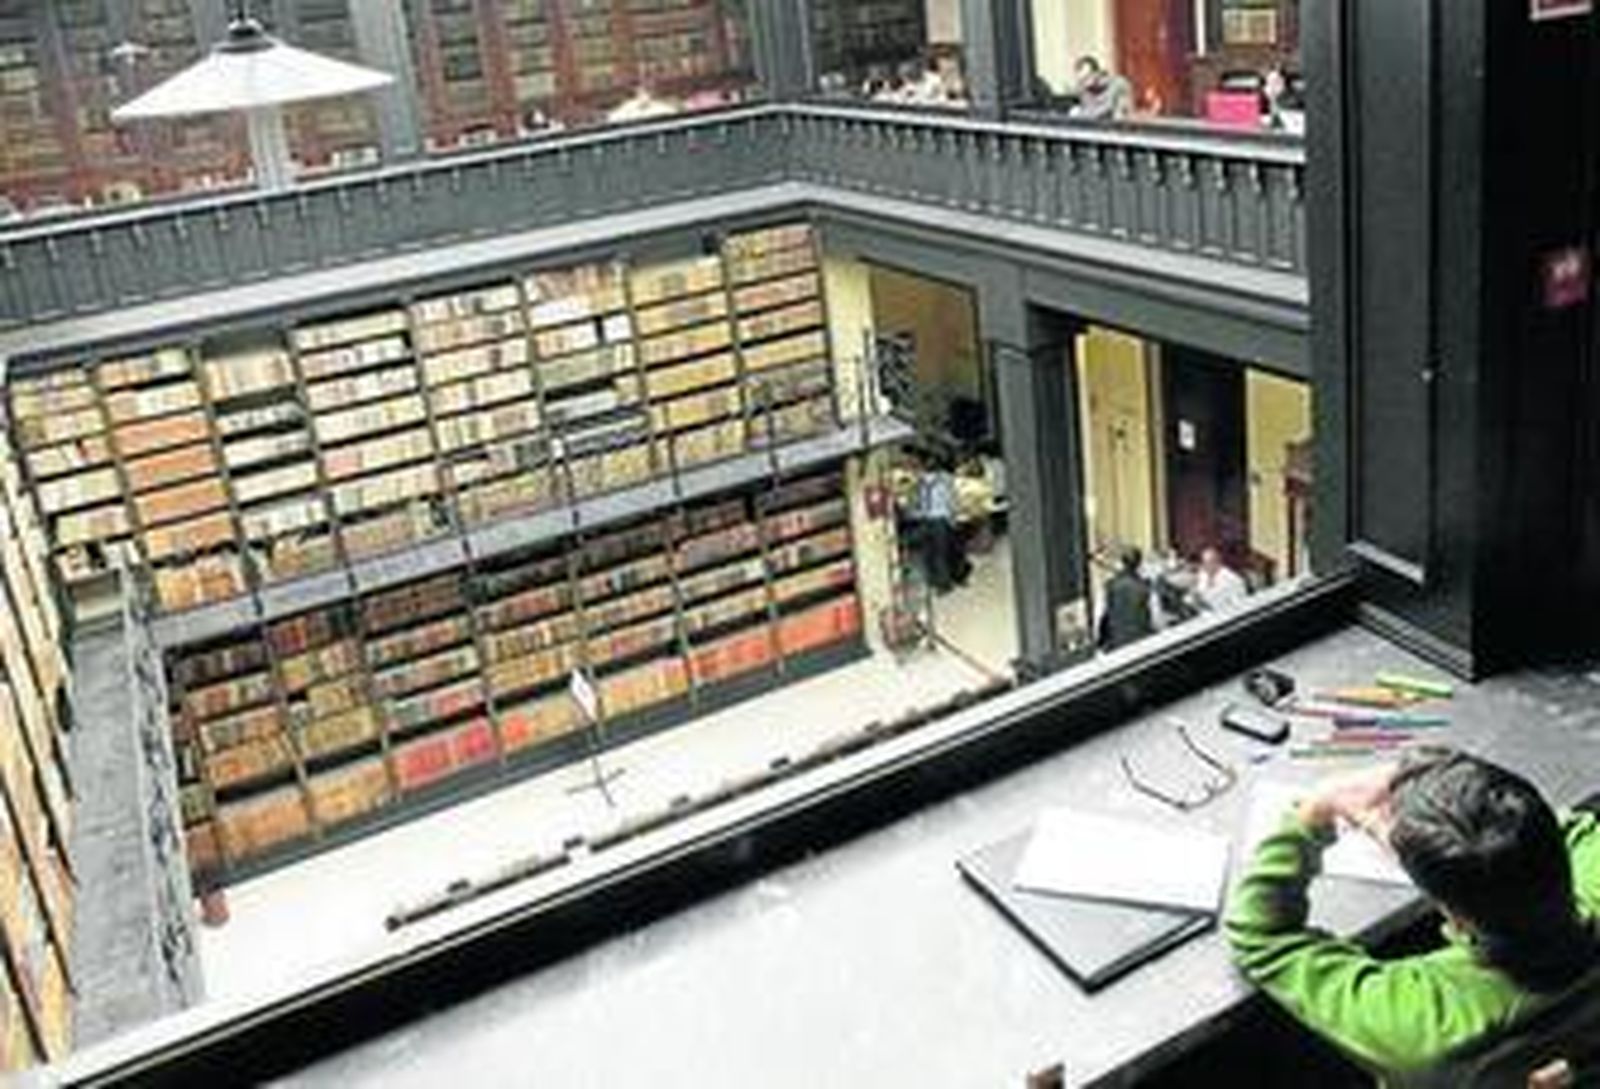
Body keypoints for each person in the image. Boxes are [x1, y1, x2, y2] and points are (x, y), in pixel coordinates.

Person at [1226, 751, 1600, 1085]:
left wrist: (1313, 813)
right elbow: (1566, 830)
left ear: (1457, 919)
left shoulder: (1419, 1023)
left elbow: (1262, 935)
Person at [1097, 546, 1153, 650]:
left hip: (1117, 644)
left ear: (1122, 562)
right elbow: (1155, 619)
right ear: (1139, 564)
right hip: (1141, 643)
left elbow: (1102, 616)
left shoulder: (1110, 586)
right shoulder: (1145, 587)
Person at [1068, 56, 1132, 122]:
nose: (1084, 84)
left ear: (1096, 73)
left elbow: (1107, 108)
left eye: (1086, 78)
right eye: (1081, 80)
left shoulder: (1116, 84)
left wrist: (1080, 114)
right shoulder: (1083, 89)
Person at [1190, 546, 1248, 612]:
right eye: (1204, 563)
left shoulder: (1230, 578)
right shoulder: (1203, 574)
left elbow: (1238, 600)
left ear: (1217, 562)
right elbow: (1199, 592)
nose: (1205, 566)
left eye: (1208, 563)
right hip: (1207, 612)